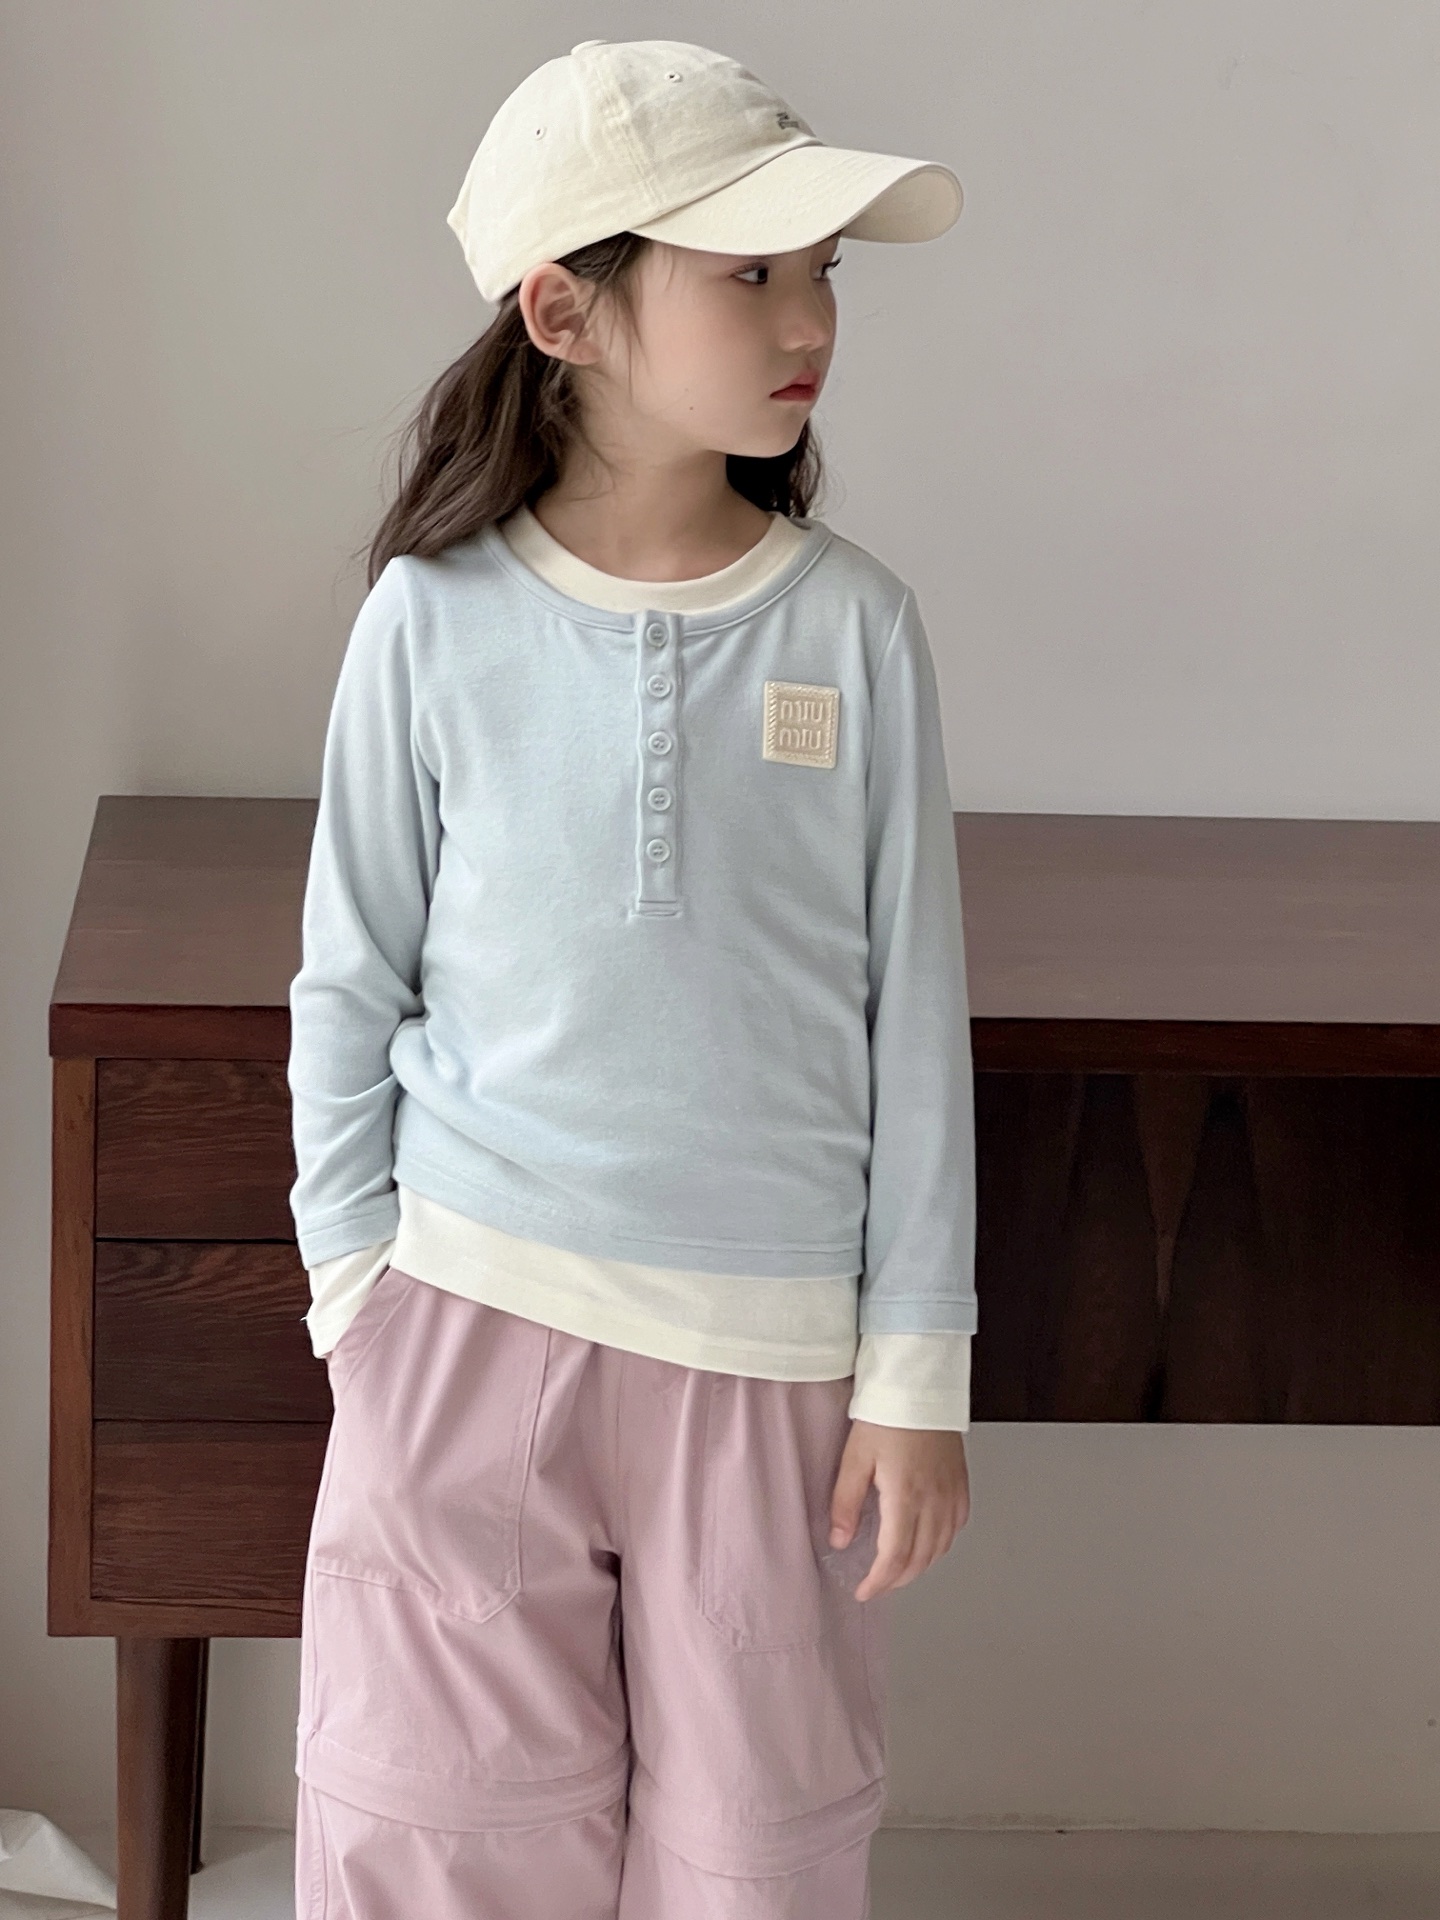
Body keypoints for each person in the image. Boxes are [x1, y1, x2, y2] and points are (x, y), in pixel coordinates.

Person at [286, 35, 977, 1920]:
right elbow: (348, 975)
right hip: (463, 1319)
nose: (807, 316)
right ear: (564, 313)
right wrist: (357, 1292)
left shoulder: (854, 627)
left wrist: (916, 1373)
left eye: (821, 270)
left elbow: (913, 1019)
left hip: (769, 1363)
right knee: (438, 1840)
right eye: (748, 271)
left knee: (754, 1857)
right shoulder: (430, 619)